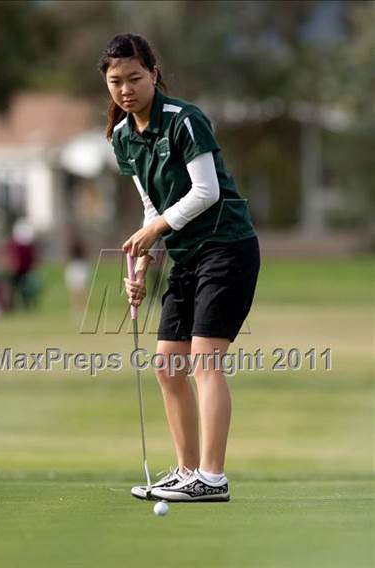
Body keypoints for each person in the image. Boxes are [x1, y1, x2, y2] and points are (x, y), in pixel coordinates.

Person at [98, 33, 260, 502]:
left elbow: (206, 191)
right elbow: (153, 208)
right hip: (188, 255)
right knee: (168, 367)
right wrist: (143, 265)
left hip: (227, 247)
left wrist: (155, 231)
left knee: (205, 361)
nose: (125, 89)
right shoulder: (123, 137)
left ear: (153, 74)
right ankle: (187, 470)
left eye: (134, 77)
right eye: (115, 81)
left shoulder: (184, 120)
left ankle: (212, 477)